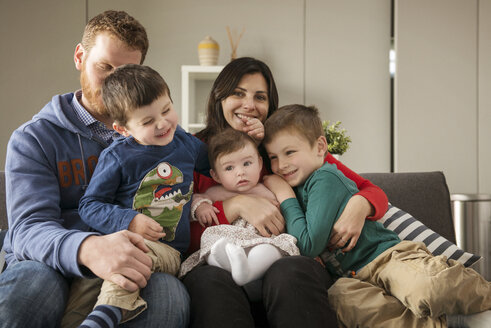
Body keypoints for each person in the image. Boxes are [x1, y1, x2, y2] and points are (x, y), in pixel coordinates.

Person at [0, 11, 189, 328]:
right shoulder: (34, 138)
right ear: (80, 57)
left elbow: (210, 161)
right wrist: (88, 248)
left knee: (169, 293)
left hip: (133, 261)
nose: (115, 81)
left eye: (127, 71)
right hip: (51, 261)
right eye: (105, 67)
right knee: (33, 284)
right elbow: (29, 229)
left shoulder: (159, 133)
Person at [182, 56, 389, 327]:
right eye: (238, 94)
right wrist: (236, 206)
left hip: (287, 260)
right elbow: (179, 232)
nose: (249, 105)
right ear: (219, 97)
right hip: (220, 262)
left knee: (290, 270)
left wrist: (359, 207)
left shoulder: (284, 148)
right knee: (207, 280)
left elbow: (372, 191)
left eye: (260, 97)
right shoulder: (192, 151)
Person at [262, 104, 491, 328]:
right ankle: (449, 321)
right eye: (273, 157)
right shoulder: (298, 186)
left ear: (320, 146)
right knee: (343, 302)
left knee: (427, 287)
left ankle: (483, 296)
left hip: (385, 258)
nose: (281, 165)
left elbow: (308, 244)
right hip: (350, 277)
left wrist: (285, 196)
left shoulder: (324, 179)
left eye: (289, 152)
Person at [75, 64, 209, 327]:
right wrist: (129, 220)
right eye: (147, 121)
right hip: (115, 249)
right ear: (123, 129)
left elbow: (219, 165)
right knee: (79, 301)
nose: (162, 123)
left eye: (167, 110)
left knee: (136, 253)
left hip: (168, 252)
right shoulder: (116, 157)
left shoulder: (189, 146)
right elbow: (89, 206)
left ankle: (106, 314)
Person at [179, 128, 299, 286]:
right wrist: (202, 207)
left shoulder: (270, 186)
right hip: (231, 245)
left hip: (261, 240)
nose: (240, 172)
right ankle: (229, 264)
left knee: (271, 249)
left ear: (260, 163)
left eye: (247, 163)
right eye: (229, 168)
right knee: (212, 244)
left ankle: (247, 272)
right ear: (215, 175)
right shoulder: (215, 192)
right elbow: (195, 201)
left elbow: (285, 209)